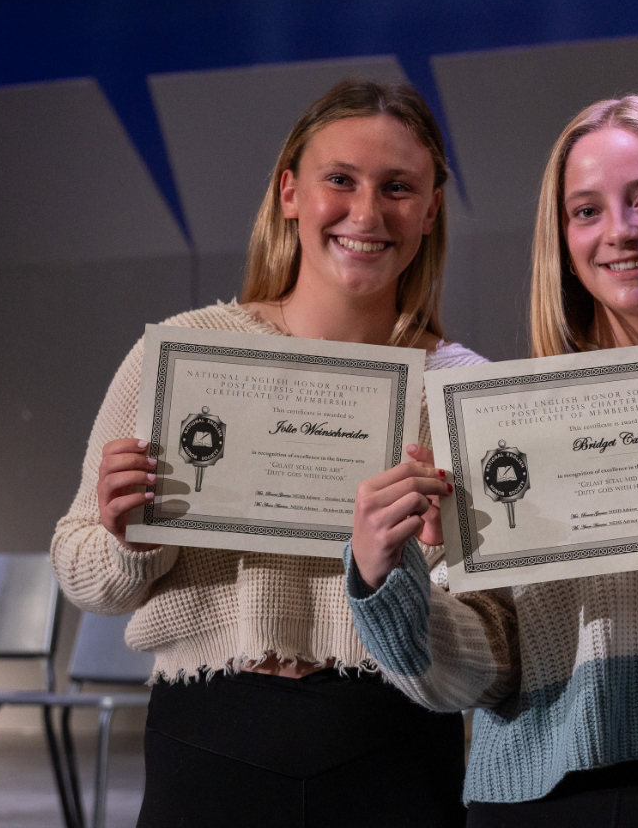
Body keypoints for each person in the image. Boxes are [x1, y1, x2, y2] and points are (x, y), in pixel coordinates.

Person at [345, 96, 638, 826]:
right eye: (586, 211)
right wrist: (389, 577)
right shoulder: (510, 425)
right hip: (528, 800)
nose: (619, 232)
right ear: (561, 239)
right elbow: (475, 674)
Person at [51, 79, 482, 827]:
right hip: (209, 741)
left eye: (398, 187)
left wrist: (431, 567)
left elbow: (487, 636)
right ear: (290, 193)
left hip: (395, 745)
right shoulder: (187, 354)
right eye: (339, 180)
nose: (366, 213)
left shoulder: (460, 387)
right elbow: (81, 567)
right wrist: (133, 542)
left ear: (431, 209)